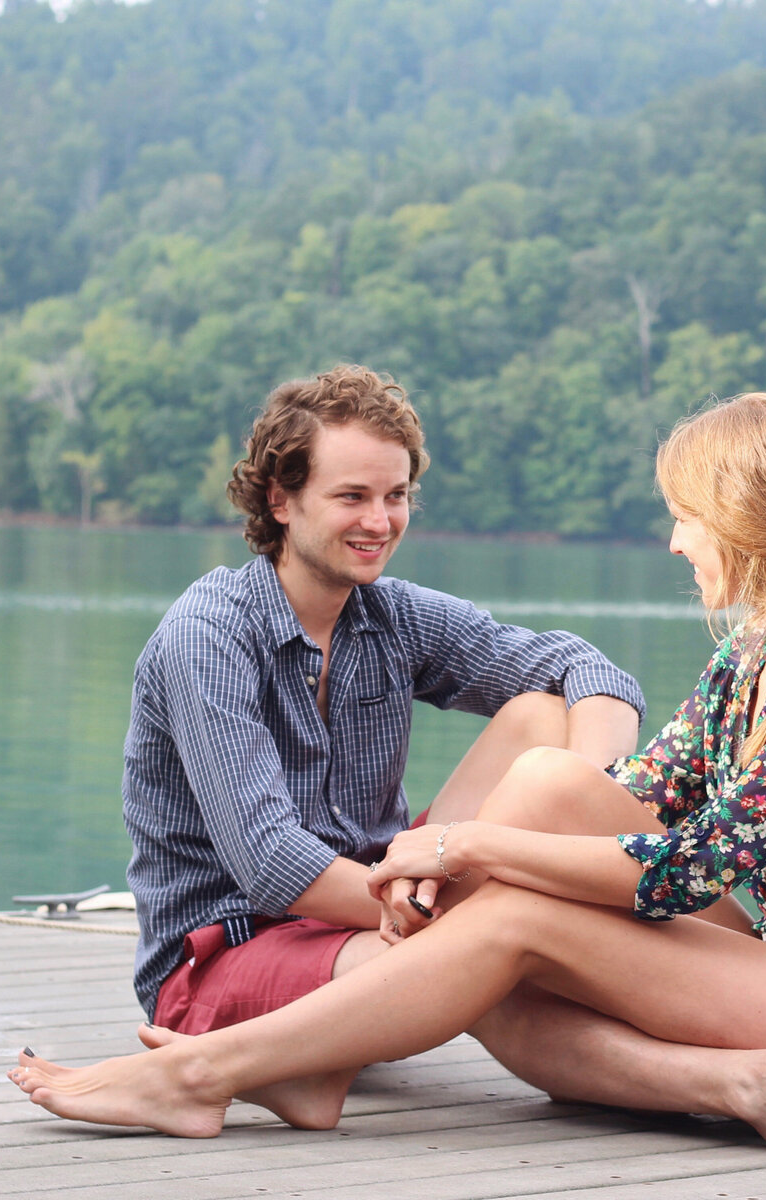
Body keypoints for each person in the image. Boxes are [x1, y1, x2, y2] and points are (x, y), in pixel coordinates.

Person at [11, 393, 766, 1151]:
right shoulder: (758, 656)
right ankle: (746, 1087)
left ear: (738, 521)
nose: (675, 539)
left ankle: (201, 1077)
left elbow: (691, 866)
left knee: (511, 912)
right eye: (353, 495)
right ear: (284, 499)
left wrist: (468, 849)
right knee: (517, 894)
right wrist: (485, 858)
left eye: (686, 517)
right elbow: (636, 796)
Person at [122, 363, 645, 1050]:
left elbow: (589, 669)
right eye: (352, 496)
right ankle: (730, 1074)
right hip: (222, 960)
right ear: (281, 500)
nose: (379, 521)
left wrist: (584, 796)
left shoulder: (388, 616)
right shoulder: (209, 634)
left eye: (395, 495)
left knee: (542, 719)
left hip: (373, 913)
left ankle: (325, 1063)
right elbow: (270, 861)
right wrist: (430, 904)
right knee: (488, 953)